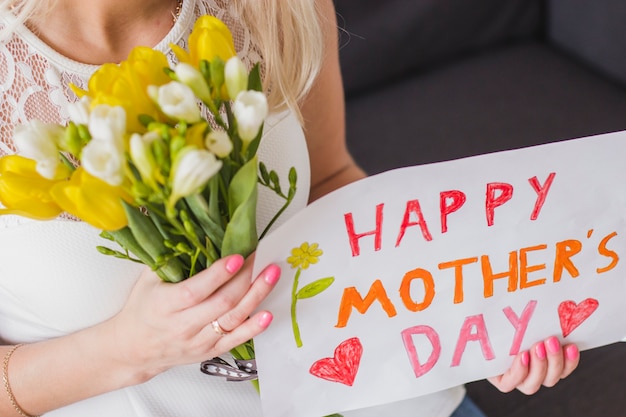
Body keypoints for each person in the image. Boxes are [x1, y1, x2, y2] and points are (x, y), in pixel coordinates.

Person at [0, 0, 580, 416]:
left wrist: (466, 321)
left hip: (377, 392)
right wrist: (125, 351)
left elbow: (331, 181)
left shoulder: (271, 8)